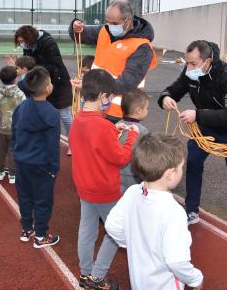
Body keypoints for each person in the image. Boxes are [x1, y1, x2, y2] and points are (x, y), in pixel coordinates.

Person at [158, 40, 227, 236]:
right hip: (207, 126)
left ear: (207, 62)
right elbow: (174, 89)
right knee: (193, 161)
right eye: (187, 63)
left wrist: (198, 115)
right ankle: (191, 211)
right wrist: (165, 97)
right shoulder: (190, 72)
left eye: (193, 64)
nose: (188, 68)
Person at [69, 69, 140, 290]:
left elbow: (94, 144)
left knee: (87, 228)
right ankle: (97, 278)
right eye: (109, 96)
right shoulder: (103, 126)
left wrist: (113, 130)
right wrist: (131, 138)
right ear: (102, 96)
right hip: (104, 189)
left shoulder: (78, 119)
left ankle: (86, 272)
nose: (109, 100)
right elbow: (120, 158)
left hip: (84, 185)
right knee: (115, 232)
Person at [105, 134, 204, 290]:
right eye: (181, 167)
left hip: (139, 281)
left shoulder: (132, 192)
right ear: (170, 174)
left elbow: (112, 225)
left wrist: (131, 243)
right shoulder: (174, 212)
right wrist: (195, 279)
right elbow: (176, 261)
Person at [69, 0, 157, 123]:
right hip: (95, 106)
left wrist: (90, 86)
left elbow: (126, 82)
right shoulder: (105, 30)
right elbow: (80, 34)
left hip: (119, 114)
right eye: (108, 22)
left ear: (129, 20)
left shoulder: (142, 47)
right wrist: (75, 27)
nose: (111, 26)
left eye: (115, 23)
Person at [12, 66, 61, 249]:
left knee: (24, 196)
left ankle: (26, 229)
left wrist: (17, 152)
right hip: (42, 165)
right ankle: (41, 235)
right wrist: (54, 167)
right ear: (47, 88)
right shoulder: (52, 114)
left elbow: (15, 133)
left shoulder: (21, 108)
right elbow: (52, 144)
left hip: (22, 161)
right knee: (43, 200)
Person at [14, 25, 73, 137]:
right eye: (20, 42)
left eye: (22, 41)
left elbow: (54, 65)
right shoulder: (28, 46)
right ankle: (48, 138)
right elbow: (27, 63)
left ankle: (73, 142)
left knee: (63, 114)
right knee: (43, 113)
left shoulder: (48, 43)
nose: (21, 44)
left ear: (29, 38)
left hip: (58, 82)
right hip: (42, 82)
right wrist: (20, 67)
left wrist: (31, 68)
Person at [0, 65, 26, 184]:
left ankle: (0, 171)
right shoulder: (20, 94)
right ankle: (12, 174)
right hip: (15, 128)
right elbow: (24, 109)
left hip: (0, 127)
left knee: (0, 151)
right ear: (16, 78)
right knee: (13, 151)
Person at [118, 88, 150, 194]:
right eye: (146, 108)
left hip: (115, 173)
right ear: (138, 110)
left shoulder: (116, 126)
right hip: (134, 176)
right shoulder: (143, 131)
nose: (147, 111)